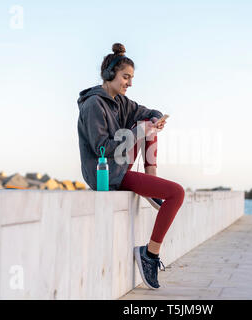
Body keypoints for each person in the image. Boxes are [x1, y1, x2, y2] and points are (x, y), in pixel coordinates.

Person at [77, 43, 185, 289]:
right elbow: (101, 147)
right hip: (104, 172)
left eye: (131, 78)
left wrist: (155, 121)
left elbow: (148, 111)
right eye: (126, 77)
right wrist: (138, 131)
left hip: (119, 166)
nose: (130, 83)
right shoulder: (94, 104)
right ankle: (150, 254)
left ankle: (152, 181)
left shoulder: (120, 102)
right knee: (177, 193)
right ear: (109, 74)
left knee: (147, 120)